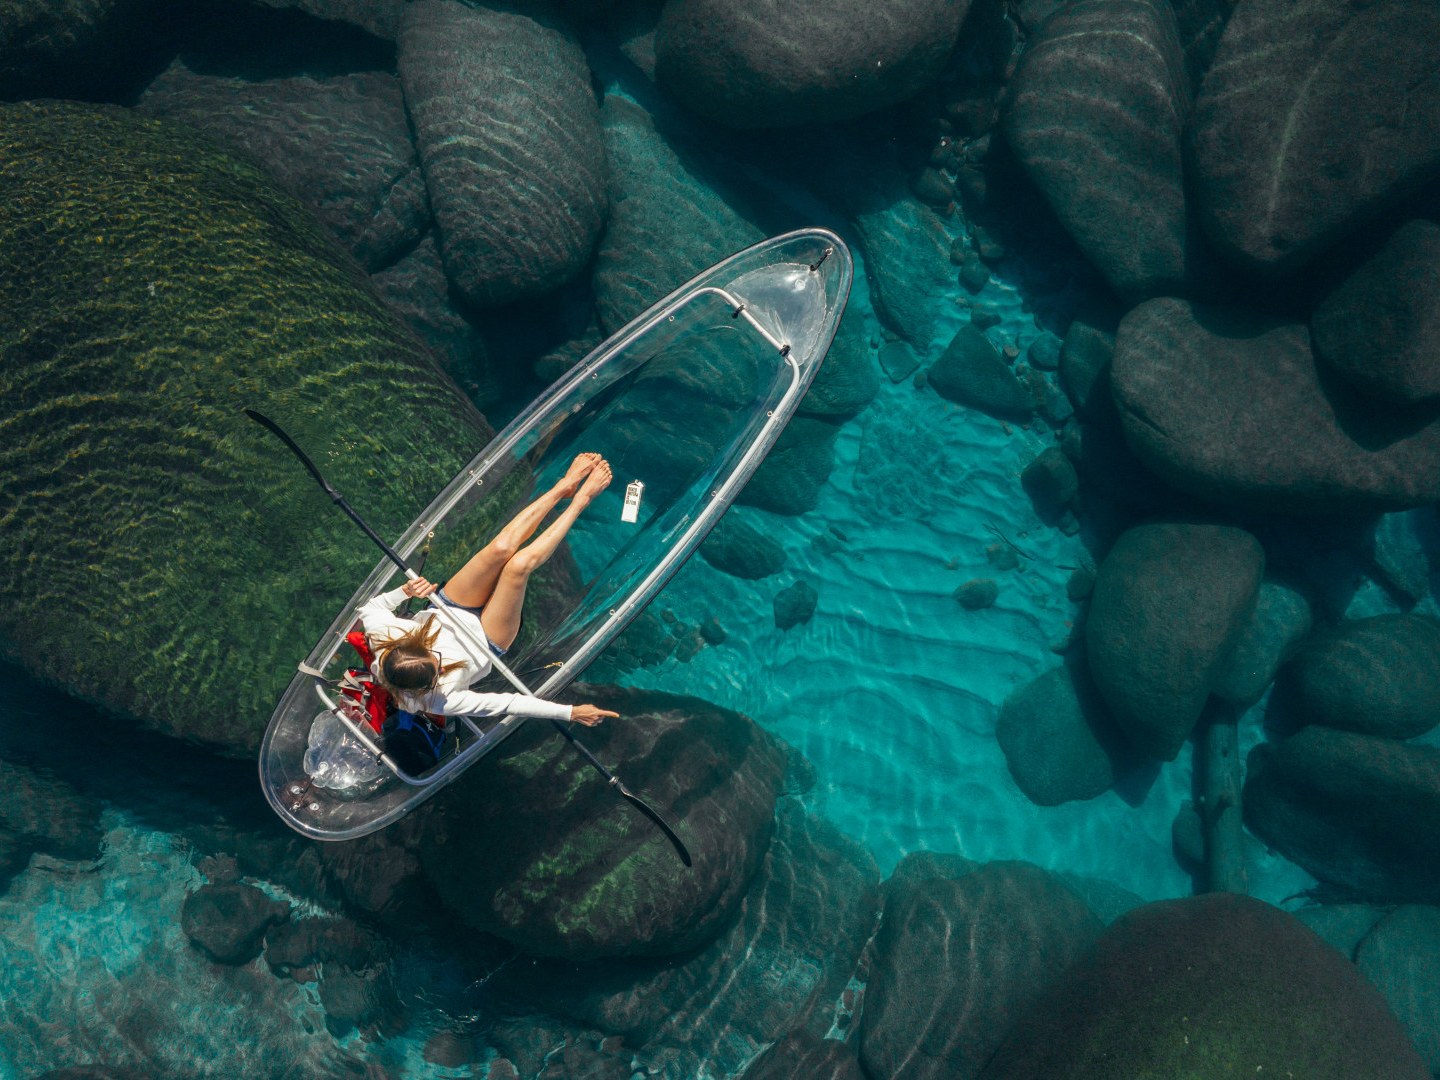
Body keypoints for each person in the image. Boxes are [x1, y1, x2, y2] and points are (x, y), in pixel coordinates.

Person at [358, 453, 620, 734]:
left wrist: (404, 591)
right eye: (440, 668)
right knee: (518, 566)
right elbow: (508, 703)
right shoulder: (440, 700)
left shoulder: (384, 642)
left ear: (405, 645)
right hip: (486, 641)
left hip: (449, 607)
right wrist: (570, 712)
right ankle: (581, 501)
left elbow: (369, 608)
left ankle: (563, 487)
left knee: (501, 548)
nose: (442, 661)